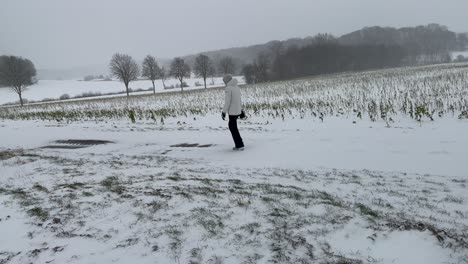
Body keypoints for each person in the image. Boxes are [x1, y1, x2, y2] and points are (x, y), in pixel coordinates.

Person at [221, 74, 245, 151]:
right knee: (233, 127)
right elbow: (239, 100)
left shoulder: (228, 88)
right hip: (237, 110)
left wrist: (224, 112)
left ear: (227, 81)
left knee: (232, 127)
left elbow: (227, 102)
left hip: (232, 111)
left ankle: (239, 145)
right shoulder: (236, 87)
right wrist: (241, 110)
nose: (224, 83)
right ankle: (239, 143)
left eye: (224, 81)